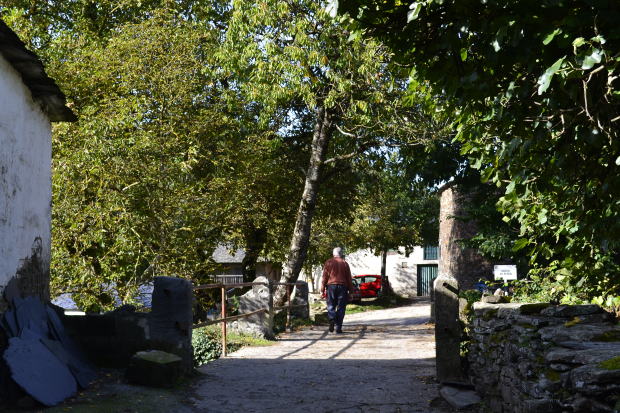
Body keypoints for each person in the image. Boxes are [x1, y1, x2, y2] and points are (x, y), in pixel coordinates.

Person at [320, 247, 354, 334]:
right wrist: (351, 292)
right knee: (341, 307)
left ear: (333, 253)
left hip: (331, 286)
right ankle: (338, 328)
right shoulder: (345, 263)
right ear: (341, 254)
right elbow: (349, 278)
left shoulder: (328, 262)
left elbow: (324, 277)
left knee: (331, 305)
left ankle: (332, 318)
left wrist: (322, 290)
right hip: (343, 287)